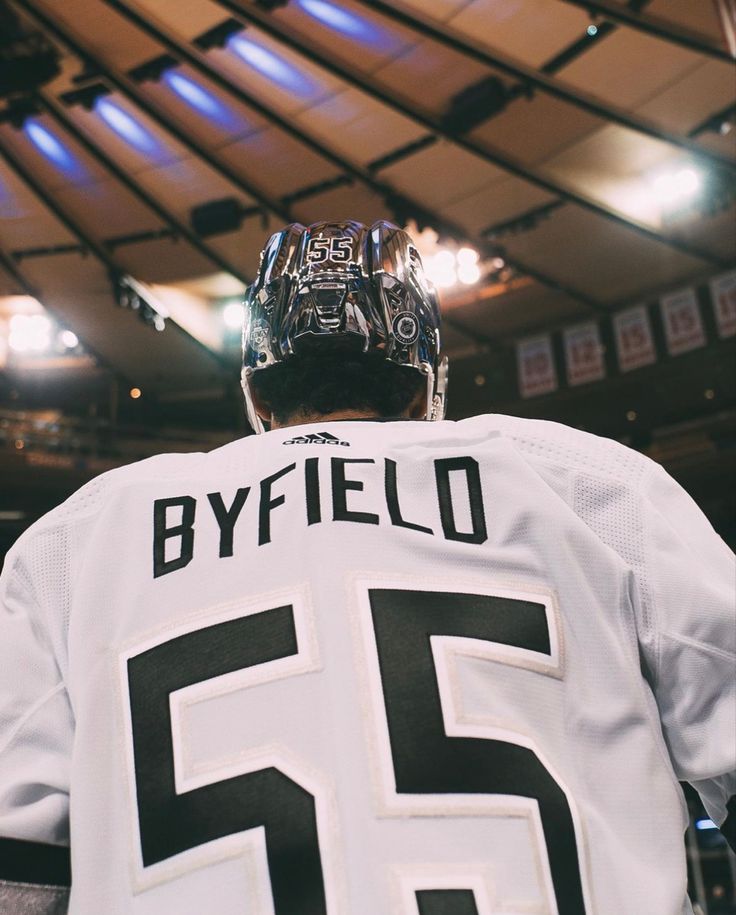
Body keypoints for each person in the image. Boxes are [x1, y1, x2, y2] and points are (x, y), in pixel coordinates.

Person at [0, 219, 733, 915]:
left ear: (256, 393)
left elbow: (18, 874)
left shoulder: (78, 539)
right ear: (425, 387)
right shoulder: (591, 487)